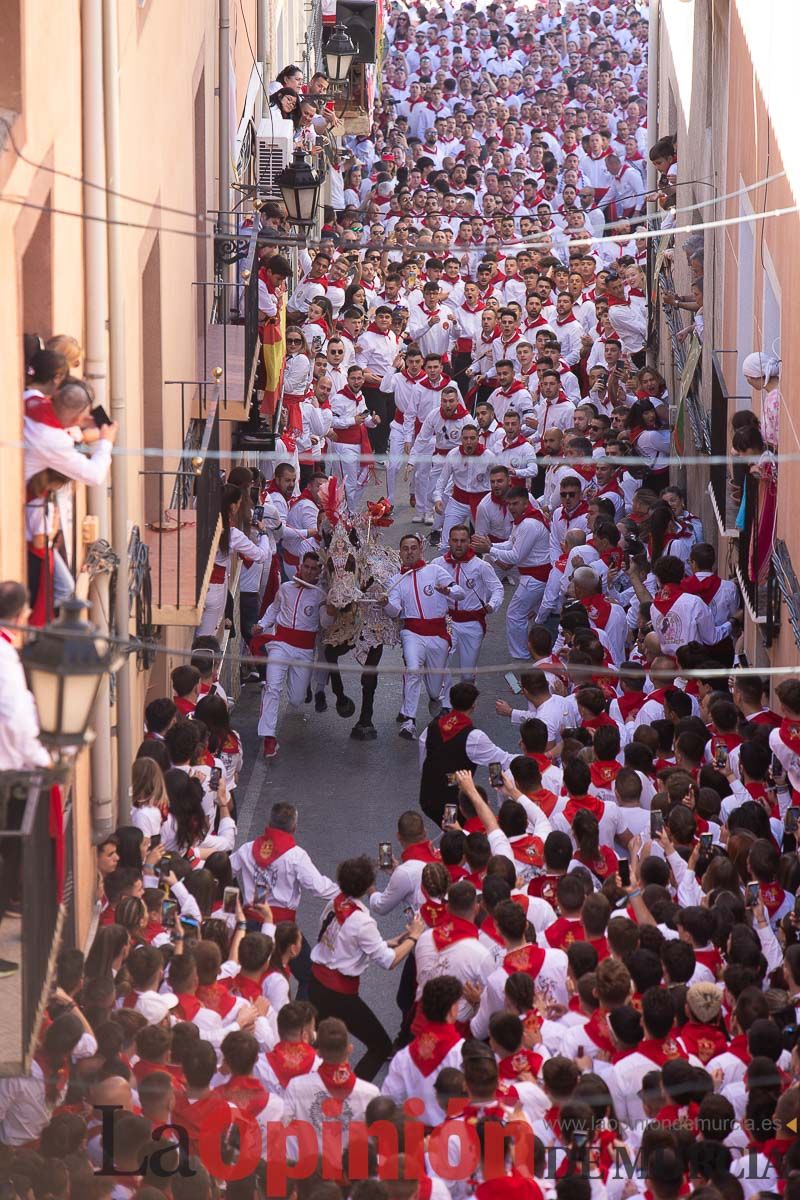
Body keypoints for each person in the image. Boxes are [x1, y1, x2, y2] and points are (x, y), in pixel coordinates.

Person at [309, 856, 423, 1080]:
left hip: (317, 984)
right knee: (380, 1046)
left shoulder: (334, 903)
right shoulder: (362, 921)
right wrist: (414, 938)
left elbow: (345, 942)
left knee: (316, 1046)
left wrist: (391, 941)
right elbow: (388, 961)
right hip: (340, 994)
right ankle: (352, 1092)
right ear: (367, 886)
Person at [381, 534, 465, 740]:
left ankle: (438, 700)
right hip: (412, 633)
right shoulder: (396, 580)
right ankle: (409, 720)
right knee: (413, 671)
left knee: (435, 690)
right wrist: (385, 604)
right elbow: (395, 612)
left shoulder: (435, 571)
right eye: (405, 548)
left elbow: (460, 593)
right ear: (399, 553)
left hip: (437, 633)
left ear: (421, 550)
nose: (409, 552)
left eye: (413, 548)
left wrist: (449, 591)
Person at [255, 551, 334, 758]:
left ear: (319, 571)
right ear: (300, 566)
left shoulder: (321, 595)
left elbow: (325, 623)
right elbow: (274, 608)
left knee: (297, 699)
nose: (308, 571)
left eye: (313, 568)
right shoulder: (285, 588)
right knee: (273, 687)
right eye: (305, 567)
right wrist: (262, 624)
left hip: (304, 650)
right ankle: (269, 738)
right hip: (280, 644)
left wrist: (332, 608)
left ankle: (298, 688)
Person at [432, 525, 504, 691]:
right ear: (449, 541)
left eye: (463, 541)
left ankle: (466, 701)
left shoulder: (481, 566)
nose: (458, 544)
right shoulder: (437, 564)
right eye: (455, 540)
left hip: (472, 623)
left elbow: (497, 589)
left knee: (467, 673)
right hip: (447, 622)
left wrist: (492, 605)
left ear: (469, 542)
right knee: (442, 664)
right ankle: (445, 704)